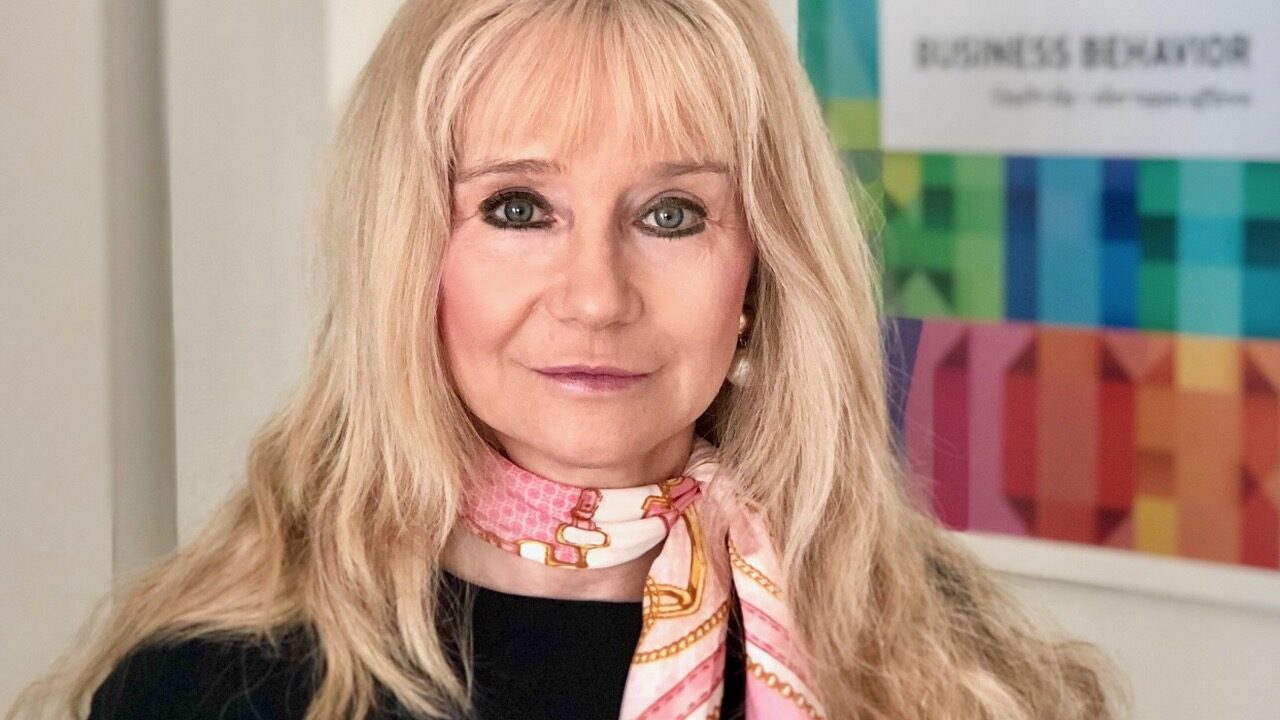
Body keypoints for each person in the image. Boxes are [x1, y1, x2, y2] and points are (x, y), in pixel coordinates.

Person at [7, 0, 1132, 718]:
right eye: (516, 206)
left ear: (758, 275)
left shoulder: (953, 672)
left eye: (672, 215)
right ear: (410, 252)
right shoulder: (216, 687)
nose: (596, 297)